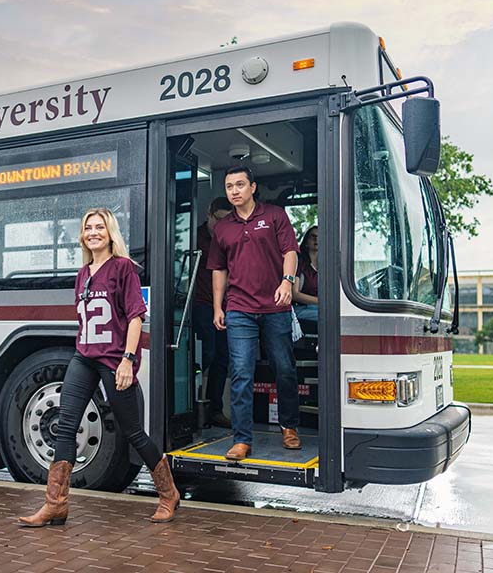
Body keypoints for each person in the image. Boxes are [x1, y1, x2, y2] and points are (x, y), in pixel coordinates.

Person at [18, 207, 180, 527]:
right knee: (65, 426)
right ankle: (56, 504)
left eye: (100, 228)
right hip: (84, 357)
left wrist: (127, 360)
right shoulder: (83, 273)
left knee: (132, 431)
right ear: (83, 235)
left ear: (110, 234)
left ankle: (168, 493)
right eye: (88, 228)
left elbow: (135, 318)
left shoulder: (123, 269)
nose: (93, 232)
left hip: (114, 358)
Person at [206, 166, 301, 461]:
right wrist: (217, 306)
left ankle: (289, 426)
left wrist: (287, 282)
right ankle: (242, 439)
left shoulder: (274, 215)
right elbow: (219, 269)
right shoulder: (223, 228)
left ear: (253, 187)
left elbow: (290, 252)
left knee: (284, 369)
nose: (234, 190)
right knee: (241, 374)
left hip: (276, 306)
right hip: (239, 310)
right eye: (229, 186)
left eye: (240, 185)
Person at [193, 196, 233, 428]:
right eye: (219, 220)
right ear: (209, 213)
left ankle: (215, 410)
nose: (222, 226)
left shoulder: (229, 237)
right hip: (200, 303)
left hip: (226, 305)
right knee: (205, 353)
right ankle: (190, 401)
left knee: (222, 358)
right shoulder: (195, 237)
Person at [292, 225, 319, 323]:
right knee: (332, 317)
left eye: (320, 236)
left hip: (322, 307)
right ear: (307, 242)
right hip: (301, 308)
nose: (316, 239)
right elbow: (295, 294)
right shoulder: (299, 262)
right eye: (313, 236)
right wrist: (322, 302)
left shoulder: (328, 265)